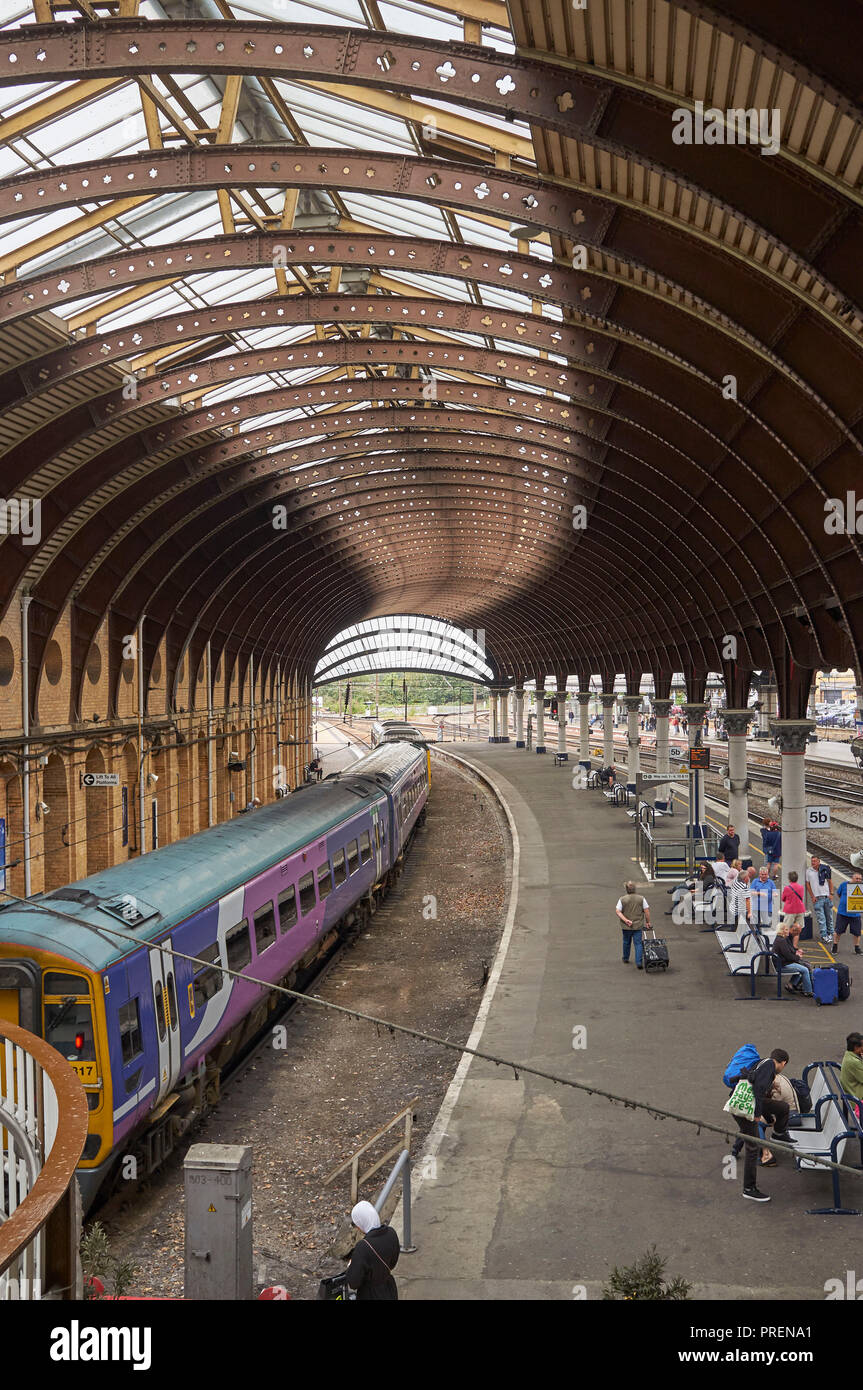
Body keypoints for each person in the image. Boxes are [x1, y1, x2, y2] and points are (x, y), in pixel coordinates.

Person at [732, 1049, 796, 1202]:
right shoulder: (769, 1068)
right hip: (744, 1108)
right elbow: (758, 1091)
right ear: (783, 1063)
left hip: (748, 1103)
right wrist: (757, 1115)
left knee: (783, 1108)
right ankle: (749, 1188)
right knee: (753, 1147)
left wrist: (768, 1117)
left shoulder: (764, 1062)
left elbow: (762, 1095)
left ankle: (779, 1133)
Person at [344, 1200, 400, 1300]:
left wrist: (350, 1266)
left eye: (356, 1223)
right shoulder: (391, 1233)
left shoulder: (363, 1247)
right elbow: (393, 1263)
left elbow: (353, 1282)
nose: (357, 1227)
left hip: (370, 1294)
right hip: (389, 1288)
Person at [771, 922, 814, 996]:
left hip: (782, 963)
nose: (789, 931)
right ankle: (808, 991)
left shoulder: (782, 939)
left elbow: (789, 951)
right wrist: (797, 957)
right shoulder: (781, 941)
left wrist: (796, 952)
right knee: (805, 970)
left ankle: (791, 985)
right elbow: (788, 955)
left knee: (803, 967)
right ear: (782, 931)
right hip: (782, 965)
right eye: (786, 929)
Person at [615, 881, 651, 969]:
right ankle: (639, 962)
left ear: (626, 889)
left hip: (626, 926)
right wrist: (648, 922)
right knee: (638, 943)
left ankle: (626, 958)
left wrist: (626, 920)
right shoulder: (641, 899)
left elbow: (618, 911)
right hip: (638, 925)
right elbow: (646, 911)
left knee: (626, 942)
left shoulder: (622, 899)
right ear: (635, 889)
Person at [806, 855, 836, 951]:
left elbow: (830, 881)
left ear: (819, 862)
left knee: (829, 917)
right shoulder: (809, 871)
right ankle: (824, 935)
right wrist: (812, 896)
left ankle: (831, 933)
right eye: (812, 861)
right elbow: (807, 884)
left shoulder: (825, 869)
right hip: (817, 898)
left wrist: (831, 893)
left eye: (815, 861)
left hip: (827, 897)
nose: (813, 863)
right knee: (821, 918)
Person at [836, 872, 863, 956]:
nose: (858, 880)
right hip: (842, 913)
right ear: (852, 878)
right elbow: (838, 894)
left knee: (857, 933)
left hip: (856, 914)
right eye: (856, 878)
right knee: (838, 931)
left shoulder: (861, 887)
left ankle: (857, 948)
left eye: (860, 879)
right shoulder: (844, 885)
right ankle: (835, 946)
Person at [781, 871, 806, 946]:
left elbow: (783, 899)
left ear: (789, 879)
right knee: (797, 930)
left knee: (786, 929)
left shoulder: (787, 888)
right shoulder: (801, 887)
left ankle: (785, 946)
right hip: (800, 910)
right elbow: (801, 897)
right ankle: (794, 946)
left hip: (790, 910)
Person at [750, 866, 778, 931]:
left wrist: (774, 894)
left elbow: (775, 892)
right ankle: (756, 936)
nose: (764, 876)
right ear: (759, 874)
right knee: (755, 923)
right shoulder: (755, 881)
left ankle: (765, 937)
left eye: (765, 874)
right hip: (756, 906)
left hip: (766, 907)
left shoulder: (770, 882)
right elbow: (751, 892)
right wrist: (760, 893)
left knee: (766, 923)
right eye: (762, 874)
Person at [840, 1033, 863, 1107]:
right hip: (856, 1098)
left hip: (851, 1092)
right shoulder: (854, 1062)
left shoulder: (848, 1055)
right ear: (856, 1047)